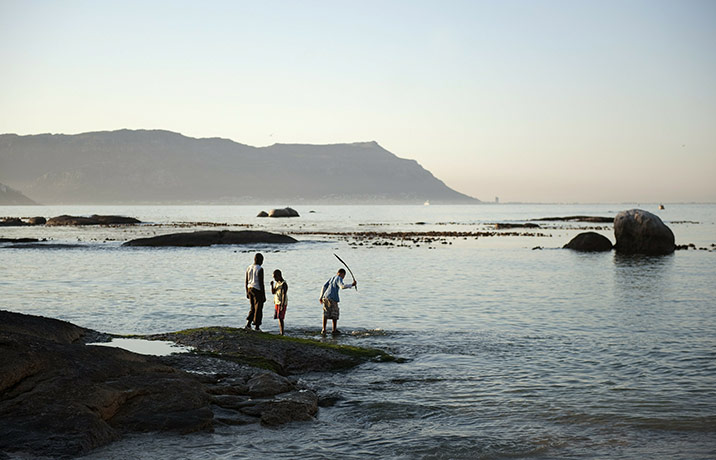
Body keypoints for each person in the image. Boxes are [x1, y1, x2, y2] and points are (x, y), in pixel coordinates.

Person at [319, 268, 357, 335]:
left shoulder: (332, 278)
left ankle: (324, 329)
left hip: (325, 298)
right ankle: (334, 330)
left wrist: (321, 297)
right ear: (342, 274)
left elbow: (324, 286)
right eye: (344, 276)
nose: (343, 278)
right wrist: (352, 285)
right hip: (333, 299)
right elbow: (342, 286)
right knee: (335, 314)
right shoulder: (339, 278)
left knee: (326, 314)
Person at [245, 253, 265, 331]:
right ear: (260, 260)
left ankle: (248, 324)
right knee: (258, 308)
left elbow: (246, 281)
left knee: (252, 307)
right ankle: (257, 326)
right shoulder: (260, 269)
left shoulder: (249, 267)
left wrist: (246, 291)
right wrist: (263, 295)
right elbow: (261, 283)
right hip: (257, 289)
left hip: (250, 288)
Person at [271, 269, 288, 335]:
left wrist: (282, 305)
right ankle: (281, 332)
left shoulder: (284, 284)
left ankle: (282, 332)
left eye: (275, 277)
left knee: (281, 318)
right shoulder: (277, 283)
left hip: (281, 302)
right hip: (277, 302)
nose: (274, 279)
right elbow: (273, 292)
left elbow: (284, 295)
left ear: (279, 276)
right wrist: (272, 285)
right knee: (279, 317)